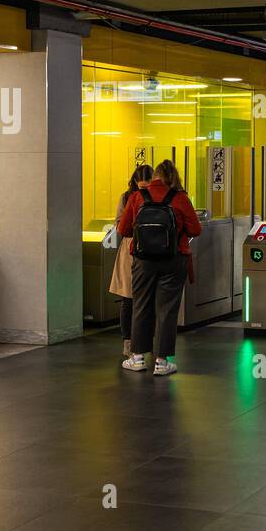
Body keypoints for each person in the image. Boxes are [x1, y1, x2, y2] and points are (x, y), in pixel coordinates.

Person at [116, 159, 201, 375]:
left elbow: (124, 229)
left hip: (143, 261)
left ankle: (137, 358)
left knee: (141, 306)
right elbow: (195, 229)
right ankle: (161, 362)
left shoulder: (137, 197)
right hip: (174, 259)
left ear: (154, 177)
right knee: (167, 310)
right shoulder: (180, 198)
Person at [109, 164, 152, 360]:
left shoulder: (156, 196)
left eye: (147, 185)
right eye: (140, 185)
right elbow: (119, 224)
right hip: (130, 249)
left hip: (148, 249)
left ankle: (143, 340)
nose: (143, 189)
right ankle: (128, 340)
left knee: (145, 298)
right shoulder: (126, 197)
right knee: (128, 298)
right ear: (134, 182)